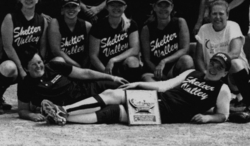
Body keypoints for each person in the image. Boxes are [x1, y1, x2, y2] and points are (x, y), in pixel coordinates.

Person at [41, 52, 231, 125]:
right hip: (158, 100)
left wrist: (208, 118)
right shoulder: (192, 73)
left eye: (220, 67)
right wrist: (139, 84)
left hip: (167, 112)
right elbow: (165, 85)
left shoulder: (222, 89)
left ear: (224, 73)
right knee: (112, 97)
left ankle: (63, 111)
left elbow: (223, 115)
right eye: (213, 63)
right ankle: (62, 114)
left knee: (113, 110)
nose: (214, 68)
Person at [17, 49, 128, 122]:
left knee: (121, 87)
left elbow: (85, 73)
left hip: (86, 88)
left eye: (40, 62)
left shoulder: (53, 66)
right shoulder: (25, 84)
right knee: (113, 109)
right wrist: (31, 116)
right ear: (26, 68)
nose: (39, 66)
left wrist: (112, 77)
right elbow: (22, 110)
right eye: (33, 65)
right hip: (74, 104)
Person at [195, 0, 250, 119]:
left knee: (235, 63)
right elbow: (198, 58)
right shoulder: (204, 29)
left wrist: (217, 64)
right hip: (212, 75)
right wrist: (205, 73)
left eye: (221, 14)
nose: (217, 17)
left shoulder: (233, 26)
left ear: (227, 15)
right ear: (209, 15)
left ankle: (247, 102)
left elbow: (234, 53)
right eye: (214, 14)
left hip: (232, 75)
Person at [0, 0, 47, 114]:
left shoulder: (42, 20)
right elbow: (8, 47)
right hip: (13, 61)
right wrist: (21, 69)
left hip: (30, 63)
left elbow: (42, 47)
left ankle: (34, 99)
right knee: (9, 68)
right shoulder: (11, 18)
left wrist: (38, 65)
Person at [141, 0, 193, 82]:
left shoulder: (180, 22)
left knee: (187, 60)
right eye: (160, 5)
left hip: (173, 68)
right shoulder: (146, 29)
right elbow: (147, 59)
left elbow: (184, 49)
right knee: (149, 83)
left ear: (172, 7)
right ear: (154, 7)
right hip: (154, 71)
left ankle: (182, 92)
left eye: (166, 6)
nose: (163, 9)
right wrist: (159, 74)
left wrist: (164, 61)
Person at [89, 0, 141, 82]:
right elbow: (93, 56)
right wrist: (108, 75)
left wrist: (113, 60)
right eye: (112, 5)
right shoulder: (98, 26)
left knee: (133, 61)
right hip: (104, 68)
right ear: (107, 7)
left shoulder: (131, 24)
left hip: (122, 65)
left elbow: (135, 49)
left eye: (120, 5)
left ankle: (133, 88)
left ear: (125, 7)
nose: (116, 8)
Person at [48, 0, 91, 68]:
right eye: (67, 6)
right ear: (62, 9)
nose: (71, 9)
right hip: (64, 64)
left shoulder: (87, 25)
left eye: (74, 6)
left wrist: (84, 67)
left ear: (79, 8)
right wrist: (77, 66)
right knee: (58, 60)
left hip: (81, 65)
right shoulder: (55, 23)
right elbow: (56, 51)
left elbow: (88, 51)